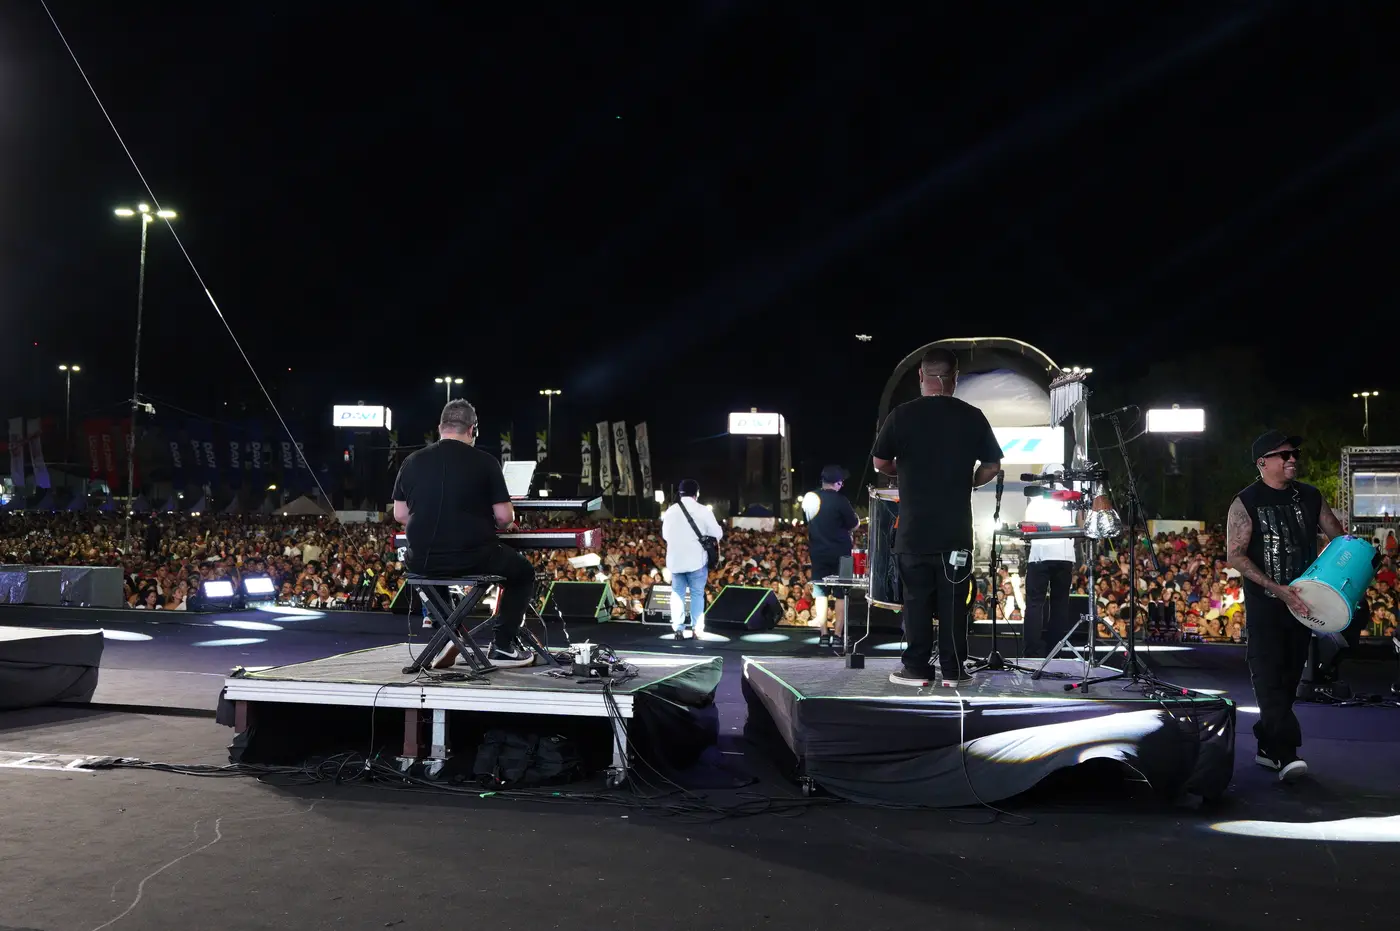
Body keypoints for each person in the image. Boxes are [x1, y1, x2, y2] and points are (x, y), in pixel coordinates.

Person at [872, 347, 1003, 687]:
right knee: (954, 603)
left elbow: (880, 463)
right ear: (955, 378)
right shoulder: (972, 416)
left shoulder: (902, 415)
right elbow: (992, 466)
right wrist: (966, 481)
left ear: (921, 376)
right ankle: (954, 671)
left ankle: (916, 669)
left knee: (915, 602)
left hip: (913, 532)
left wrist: (907, 473)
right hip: (955, 533)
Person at [1225, 430, 1348, 782]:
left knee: (1290, 675)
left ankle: (1266, 744)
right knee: (1267, 674)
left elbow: (1339, 539)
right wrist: (1275, 588)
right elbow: (1235, 555)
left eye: (1294, 453)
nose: (1293, 459)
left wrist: (1347, 570)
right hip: (1266, 604)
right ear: (1262, 462)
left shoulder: (1310, 496)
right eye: (1284, 455)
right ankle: (1285, 752)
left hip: (1305, 602)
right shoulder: (1245, 501)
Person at [391, 399, 537, 668]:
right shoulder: (486, 462)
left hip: (422, 559)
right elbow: (504, 518)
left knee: (434, 575)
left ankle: (447, 635)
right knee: (523, 573)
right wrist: (502, 524)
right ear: (472, 430)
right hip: (474, 556)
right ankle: (503, 646)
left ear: (440, 427)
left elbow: (400, 515)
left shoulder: (411, 461)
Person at [801, 465, 860, 647]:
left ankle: (824, 635)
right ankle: (838, 636)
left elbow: (806, 521)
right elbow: (854, 524)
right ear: (838, 483)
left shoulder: (810, 498)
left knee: (821, 593)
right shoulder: (841, 500)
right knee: (841, 593)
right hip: (841, 553)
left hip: (818, 551)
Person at [660, 478, 724, 639]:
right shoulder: (703, 511)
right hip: (696, 560)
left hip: (675, 560)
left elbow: (665, 535)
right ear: (697, 493)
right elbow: (717, 533)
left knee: (677, 594)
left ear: (680, 493)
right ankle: (697, 629)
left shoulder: (671, 511)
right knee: (697, 594)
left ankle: (678, 629)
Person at [1022, 465, 1076, 655]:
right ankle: (1056, 650)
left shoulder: (1036, 499)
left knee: (1035, 604)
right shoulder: (1071, 498)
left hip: (1040, 556)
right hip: (1064, 556)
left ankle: (1032, 651)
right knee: (1060, 604)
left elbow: (1027, 528)